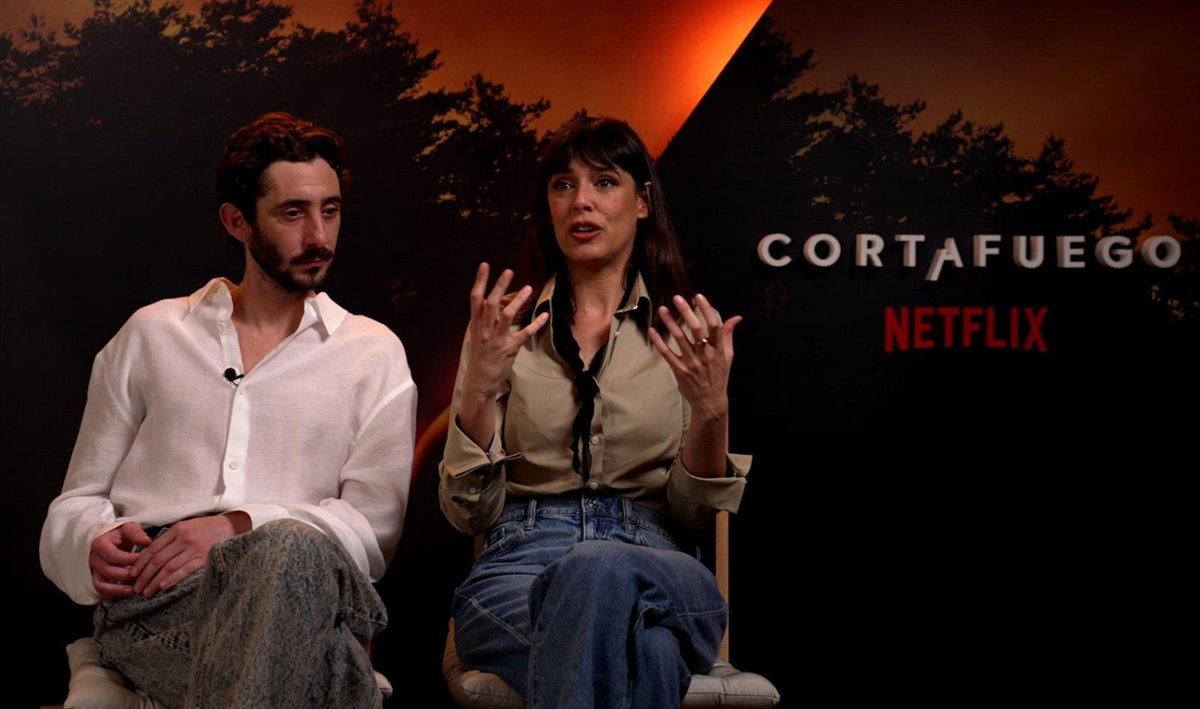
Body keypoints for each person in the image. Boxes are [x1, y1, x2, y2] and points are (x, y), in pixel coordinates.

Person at [40, 112, 417, 708]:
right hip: (161, 604)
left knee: (289, 550)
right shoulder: (153, 333)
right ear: (238, 221)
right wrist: (87, 541)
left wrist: (241, 525)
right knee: (329, 672)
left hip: (307, 594)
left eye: (330, 210)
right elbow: (75, 501)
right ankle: (342, 680)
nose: (318, 235)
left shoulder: (373, 352)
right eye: (292, 213)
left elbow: (373, 533)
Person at [439, 116, 750, 708]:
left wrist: (712, 412)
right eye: (563, 185)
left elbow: (696, 511)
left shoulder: (685, 334)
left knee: (597, 568)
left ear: (642, 202)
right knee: (648, 654)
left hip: (657, 565)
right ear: (549, 207)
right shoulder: (503, 331)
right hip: (519, 568)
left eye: (604, 182)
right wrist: (479, 389)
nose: (580, 200)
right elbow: (466, 511)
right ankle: (643, 650)